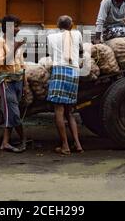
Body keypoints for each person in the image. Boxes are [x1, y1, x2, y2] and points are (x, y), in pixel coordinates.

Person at [47, 16, 84, 155]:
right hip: (74, 72)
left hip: (59, 70)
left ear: (58, 25)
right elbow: (80, 49)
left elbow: (51, 55)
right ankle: (78, 144)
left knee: (59, 110)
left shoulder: (51, 37)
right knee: (70, 111)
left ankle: (65, 146)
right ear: (71, 25)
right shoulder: (77, 34)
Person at [0, 15, 27, 153]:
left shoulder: (16, 42)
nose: (18, 29)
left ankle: (5, 142)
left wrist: (25, 84)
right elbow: (2, 62)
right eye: (15, 26)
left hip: (18, 81)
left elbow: (22, 65)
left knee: (12, 113)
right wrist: (15, 48)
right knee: (13, 113)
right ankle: (23, 139)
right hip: (7, 82)